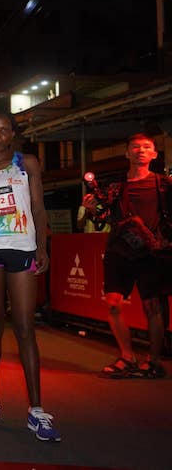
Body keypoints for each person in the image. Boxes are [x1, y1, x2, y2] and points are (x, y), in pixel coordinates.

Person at [0, 112, 59, 442]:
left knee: (25, 326)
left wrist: (42, 247)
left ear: (12, 134)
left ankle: (36, 409)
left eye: (4, 131)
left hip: (22, 248)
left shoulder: (27, 163)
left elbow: (38, 206)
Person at [83, 134, 169, 379]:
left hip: (154, 252)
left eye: (146, 147)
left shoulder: (164, 184)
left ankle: (153, 361)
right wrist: (91, 210)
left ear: (154, 154)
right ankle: (127, 356)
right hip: (119, 250)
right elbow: (100, 220)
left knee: (153, 306)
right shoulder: (115, 186)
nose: (140, 151)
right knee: (112, 303)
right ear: (126, 153)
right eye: (135, 147)